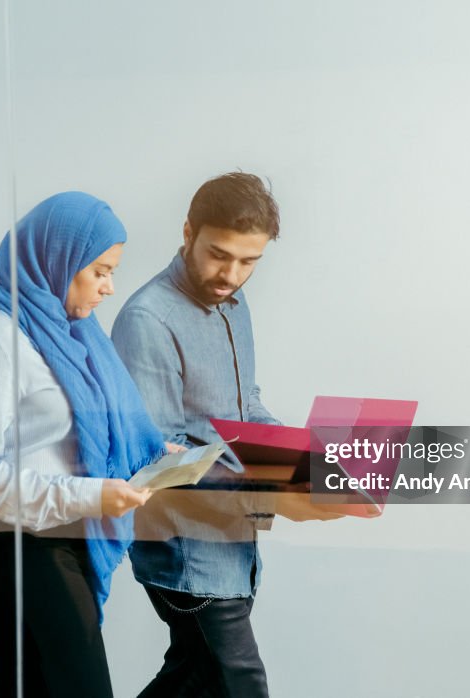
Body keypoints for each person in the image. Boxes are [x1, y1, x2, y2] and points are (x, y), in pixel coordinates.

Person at [0, 192, 169, 698]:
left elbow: (94, 432)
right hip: (11, 547)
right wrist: (93, 496)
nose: (110, 288)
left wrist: (157, 455)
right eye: (100, 272)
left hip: (63, 540)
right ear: (57, 260)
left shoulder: (73, 337)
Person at [112, 172, 335, 697]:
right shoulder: (149, 320)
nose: (231, 274)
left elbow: (245, 408)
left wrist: (306, 461)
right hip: (185, 548)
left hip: (234, 544)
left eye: (248, 261)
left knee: (191, 676)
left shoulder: (234, 306)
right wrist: (274, 496)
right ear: (187, 232)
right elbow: (156, 459)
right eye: (219, 254)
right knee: (242, 684)